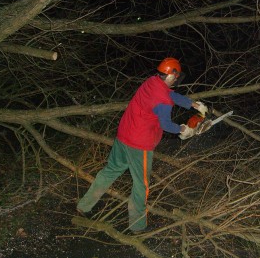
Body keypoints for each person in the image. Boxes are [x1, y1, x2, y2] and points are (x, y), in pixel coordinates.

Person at [76, 57, 208, 233]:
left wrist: (193, 104)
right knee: (141, 184)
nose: (176, 80)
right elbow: (166, 124)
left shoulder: (152, 82)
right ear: (171, 75)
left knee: (110, 170)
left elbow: (170, 94)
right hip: (139, 145)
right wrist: (183, 130)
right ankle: (137, 226)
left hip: (124, 136)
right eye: (175, 77)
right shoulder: (163, 101)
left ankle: (84, 206)